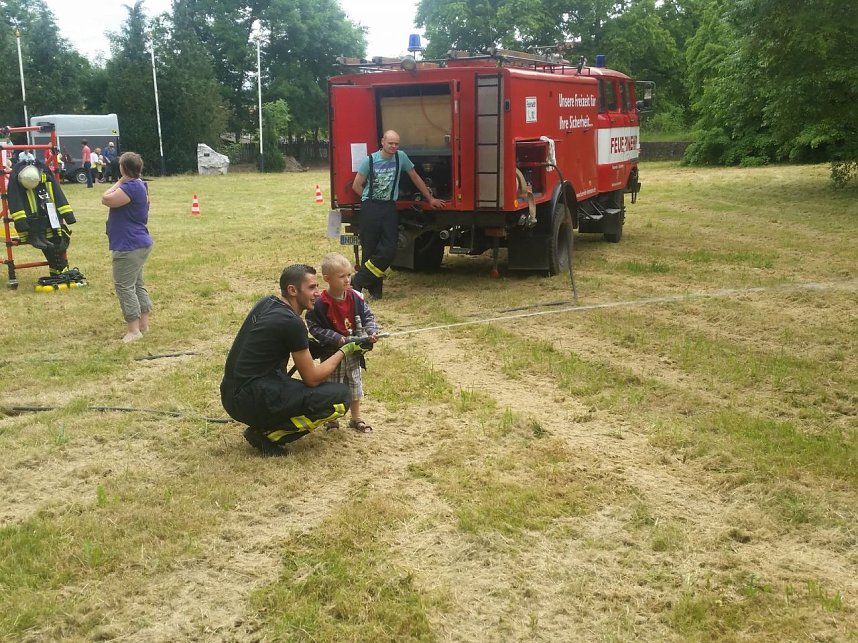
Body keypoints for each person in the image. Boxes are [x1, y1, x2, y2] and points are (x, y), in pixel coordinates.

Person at [220, 264, 369, 456]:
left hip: (232, 393)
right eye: (312, 288)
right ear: (292, 290)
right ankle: (269, 435)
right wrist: (345, 350)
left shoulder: (267, 303)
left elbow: (283, 340)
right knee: (340, 397)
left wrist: (321, 346)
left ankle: (267, 422)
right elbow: (312, 378)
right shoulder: (293, 323)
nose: (318, 293)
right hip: (250, 400)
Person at [350, 129, 445, 299]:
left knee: (389, 249)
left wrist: (430, 198)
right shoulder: (370, 160)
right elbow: (356, 185)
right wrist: (369, 200)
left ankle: (358, 280)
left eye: (396, 144)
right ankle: (375, 291)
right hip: (370, 208)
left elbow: (415, 177)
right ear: (382, 142)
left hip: (388, 208)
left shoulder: (401, 157)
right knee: (370, 249)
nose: (393, 146)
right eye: (390, 143)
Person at [306, 253, 379, 433]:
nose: (347, 280)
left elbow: (368, 316)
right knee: (332, 387)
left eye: (348, 275)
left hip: (353, 353)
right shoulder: (320, 304)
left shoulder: (356, 297)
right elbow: (314, 327)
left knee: (355, 386)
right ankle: (332, 420)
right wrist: (337, 339)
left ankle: (356, 418)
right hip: (332, 355)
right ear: (327, 279)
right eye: (342, 276)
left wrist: (371, 331)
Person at [101, 152, 153, 343]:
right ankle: (144, 325)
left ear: (123, 168)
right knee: (137, 284)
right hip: (138, 242)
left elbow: (106, 198)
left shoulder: (130, 187)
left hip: (129, 244)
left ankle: (134, 330)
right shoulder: (140, 185)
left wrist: (119, 181)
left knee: (124, 286)